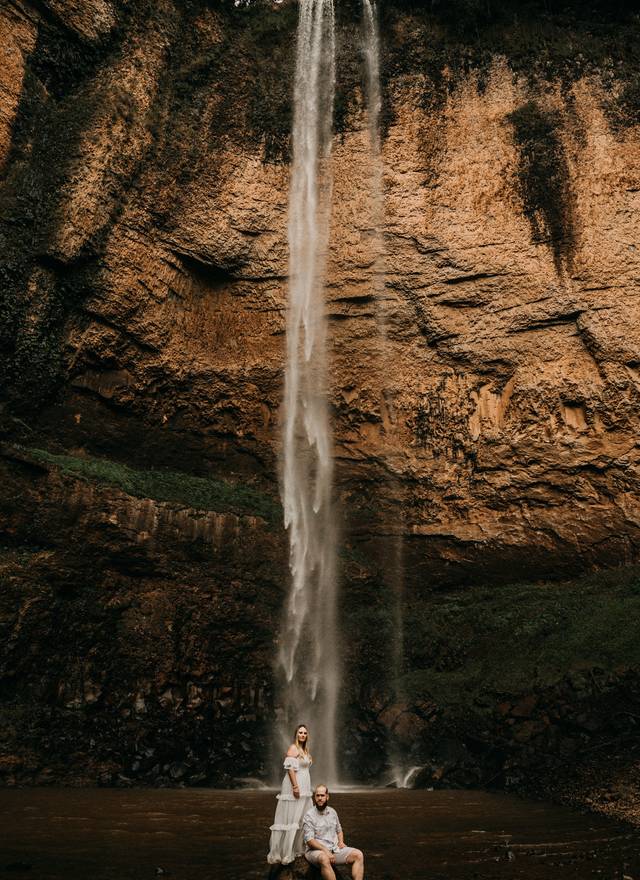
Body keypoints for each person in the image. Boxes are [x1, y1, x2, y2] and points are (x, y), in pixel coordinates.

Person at [267, 724, 313, 865]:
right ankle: (286, 853)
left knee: (302, 818)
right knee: (292, 818)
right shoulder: (293, 748)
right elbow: (290, 769)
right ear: (296, 734)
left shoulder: (305, 750)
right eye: (300, 732)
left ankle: (297, 849)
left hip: (305, 787)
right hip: (295, 785)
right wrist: (295, 786)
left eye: (305, 733)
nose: (303, 735)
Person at [302, 784, 365, 880]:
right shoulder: (309, 815)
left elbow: (339, 830)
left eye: (322, 795)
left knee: (358, 855)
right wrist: (325, 850)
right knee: (324, 858)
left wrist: (341, 842)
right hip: (315, 852)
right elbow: (309, 840)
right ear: (314, 797)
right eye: (317, 795)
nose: (320, 798)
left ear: (327, 797)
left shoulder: (332, 812)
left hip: (334, 850)